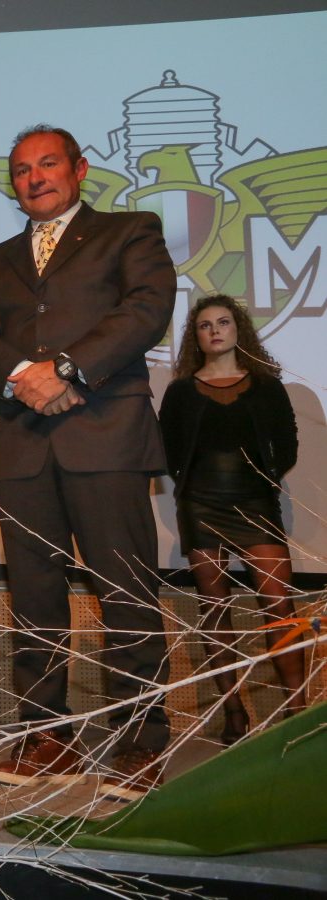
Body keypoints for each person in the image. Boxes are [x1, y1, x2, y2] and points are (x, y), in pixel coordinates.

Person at [0, 125, 176, 801]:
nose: (35, 178)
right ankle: (47, 735)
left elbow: (148, 309)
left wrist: (66, 369)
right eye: (22, 170)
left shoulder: (130, 231)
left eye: (47, 163)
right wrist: (25, 377)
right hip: (23, 444)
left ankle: (140, 742)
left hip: (106, 435)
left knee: (126, 593)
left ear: (79, 169)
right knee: (34, 601)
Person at [160, 294, 303, 744]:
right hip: (201, 505)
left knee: (279, 607)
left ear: (238, 329)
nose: (215, 331)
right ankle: (234, 713)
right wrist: (192, 486)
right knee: (214, 609)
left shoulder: (267, 386)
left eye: (223, 322)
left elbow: (288, 444)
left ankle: (297, 712)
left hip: (255, 502)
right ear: (196, 336)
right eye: (205, 325)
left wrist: (263, 480)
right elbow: (168, 449)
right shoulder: (180, 391)